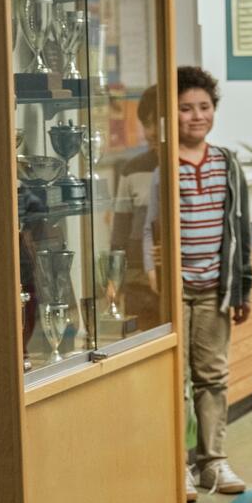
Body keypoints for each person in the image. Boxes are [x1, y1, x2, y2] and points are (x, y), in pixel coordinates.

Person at [144, 66, 252, 501]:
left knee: (212, 376)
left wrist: (241, 288)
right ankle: (179, 463)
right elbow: (148, 225)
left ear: (214, 110)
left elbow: (239, 228)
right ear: (170, 114)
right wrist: (152, 271)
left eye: (203, 107)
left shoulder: (227, 162)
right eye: (185, 108)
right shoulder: (162, 164)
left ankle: (213, 461)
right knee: (177, 378)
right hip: (172, 291)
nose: (196, 116)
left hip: (214, 289)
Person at [112, 84, 162, 330]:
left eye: (156, 123)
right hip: (137, 281)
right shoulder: (132, 169)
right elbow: (120, 229)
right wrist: (114, 280)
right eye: (146, 124)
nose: (151, 132)